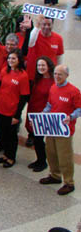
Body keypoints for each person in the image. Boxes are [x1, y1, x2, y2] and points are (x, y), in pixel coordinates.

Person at [39, 65, 81, 195]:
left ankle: (69, 182)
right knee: (51, 152)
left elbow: (79, 109)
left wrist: (71, 117)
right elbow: (49, 105)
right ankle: (55, 175)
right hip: (52, 126)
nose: (57, 77)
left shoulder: (74, 91)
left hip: (65, 129)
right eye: (55, 74)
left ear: (67, 75)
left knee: (65, 156)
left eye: (60, 75)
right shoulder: (53, 87)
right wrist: (43, 114)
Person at [0, 49, 30, 168]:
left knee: (11, 136)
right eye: (9, 58)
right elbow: (1, 85)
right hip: (0, 108)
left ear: (19, 60)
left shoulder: (23, 76)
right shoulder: (5, 70)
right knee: (2, 132)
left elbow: (24, 97)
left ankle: (11, 157)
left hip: (12, 110)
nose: (10, 60)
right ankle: (5, 154)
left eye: (13, 58)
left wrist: (17, 115)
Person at [26, 56, 55, 172]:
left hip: (44, 114)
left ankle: (42, 161)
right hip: (33, 110)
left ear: (49, 66)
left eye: (43, 65)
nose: (41, 68)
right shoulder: (37, 79)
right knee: (35, 137)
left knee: (38, 139)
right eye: (39, 65)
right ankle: (39, 160)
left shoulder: (53, 81)